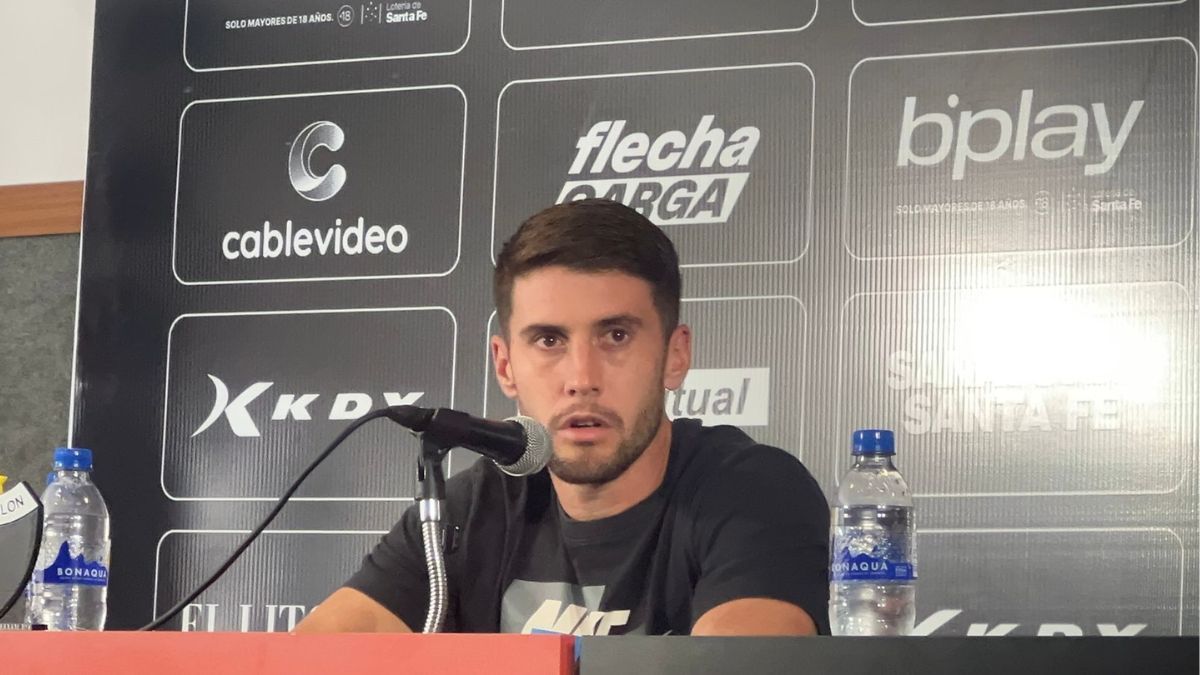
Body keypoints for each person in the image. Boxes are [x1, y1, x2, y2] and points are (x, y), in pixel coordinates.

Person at [295, 198, 830, 636]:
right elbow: (313, 658)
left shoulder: (754, 492)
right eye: (549, 340)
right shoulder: (471, 509)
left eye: (615, 336)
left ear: (674, 355)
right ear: (506, 366)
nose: (581, 376)